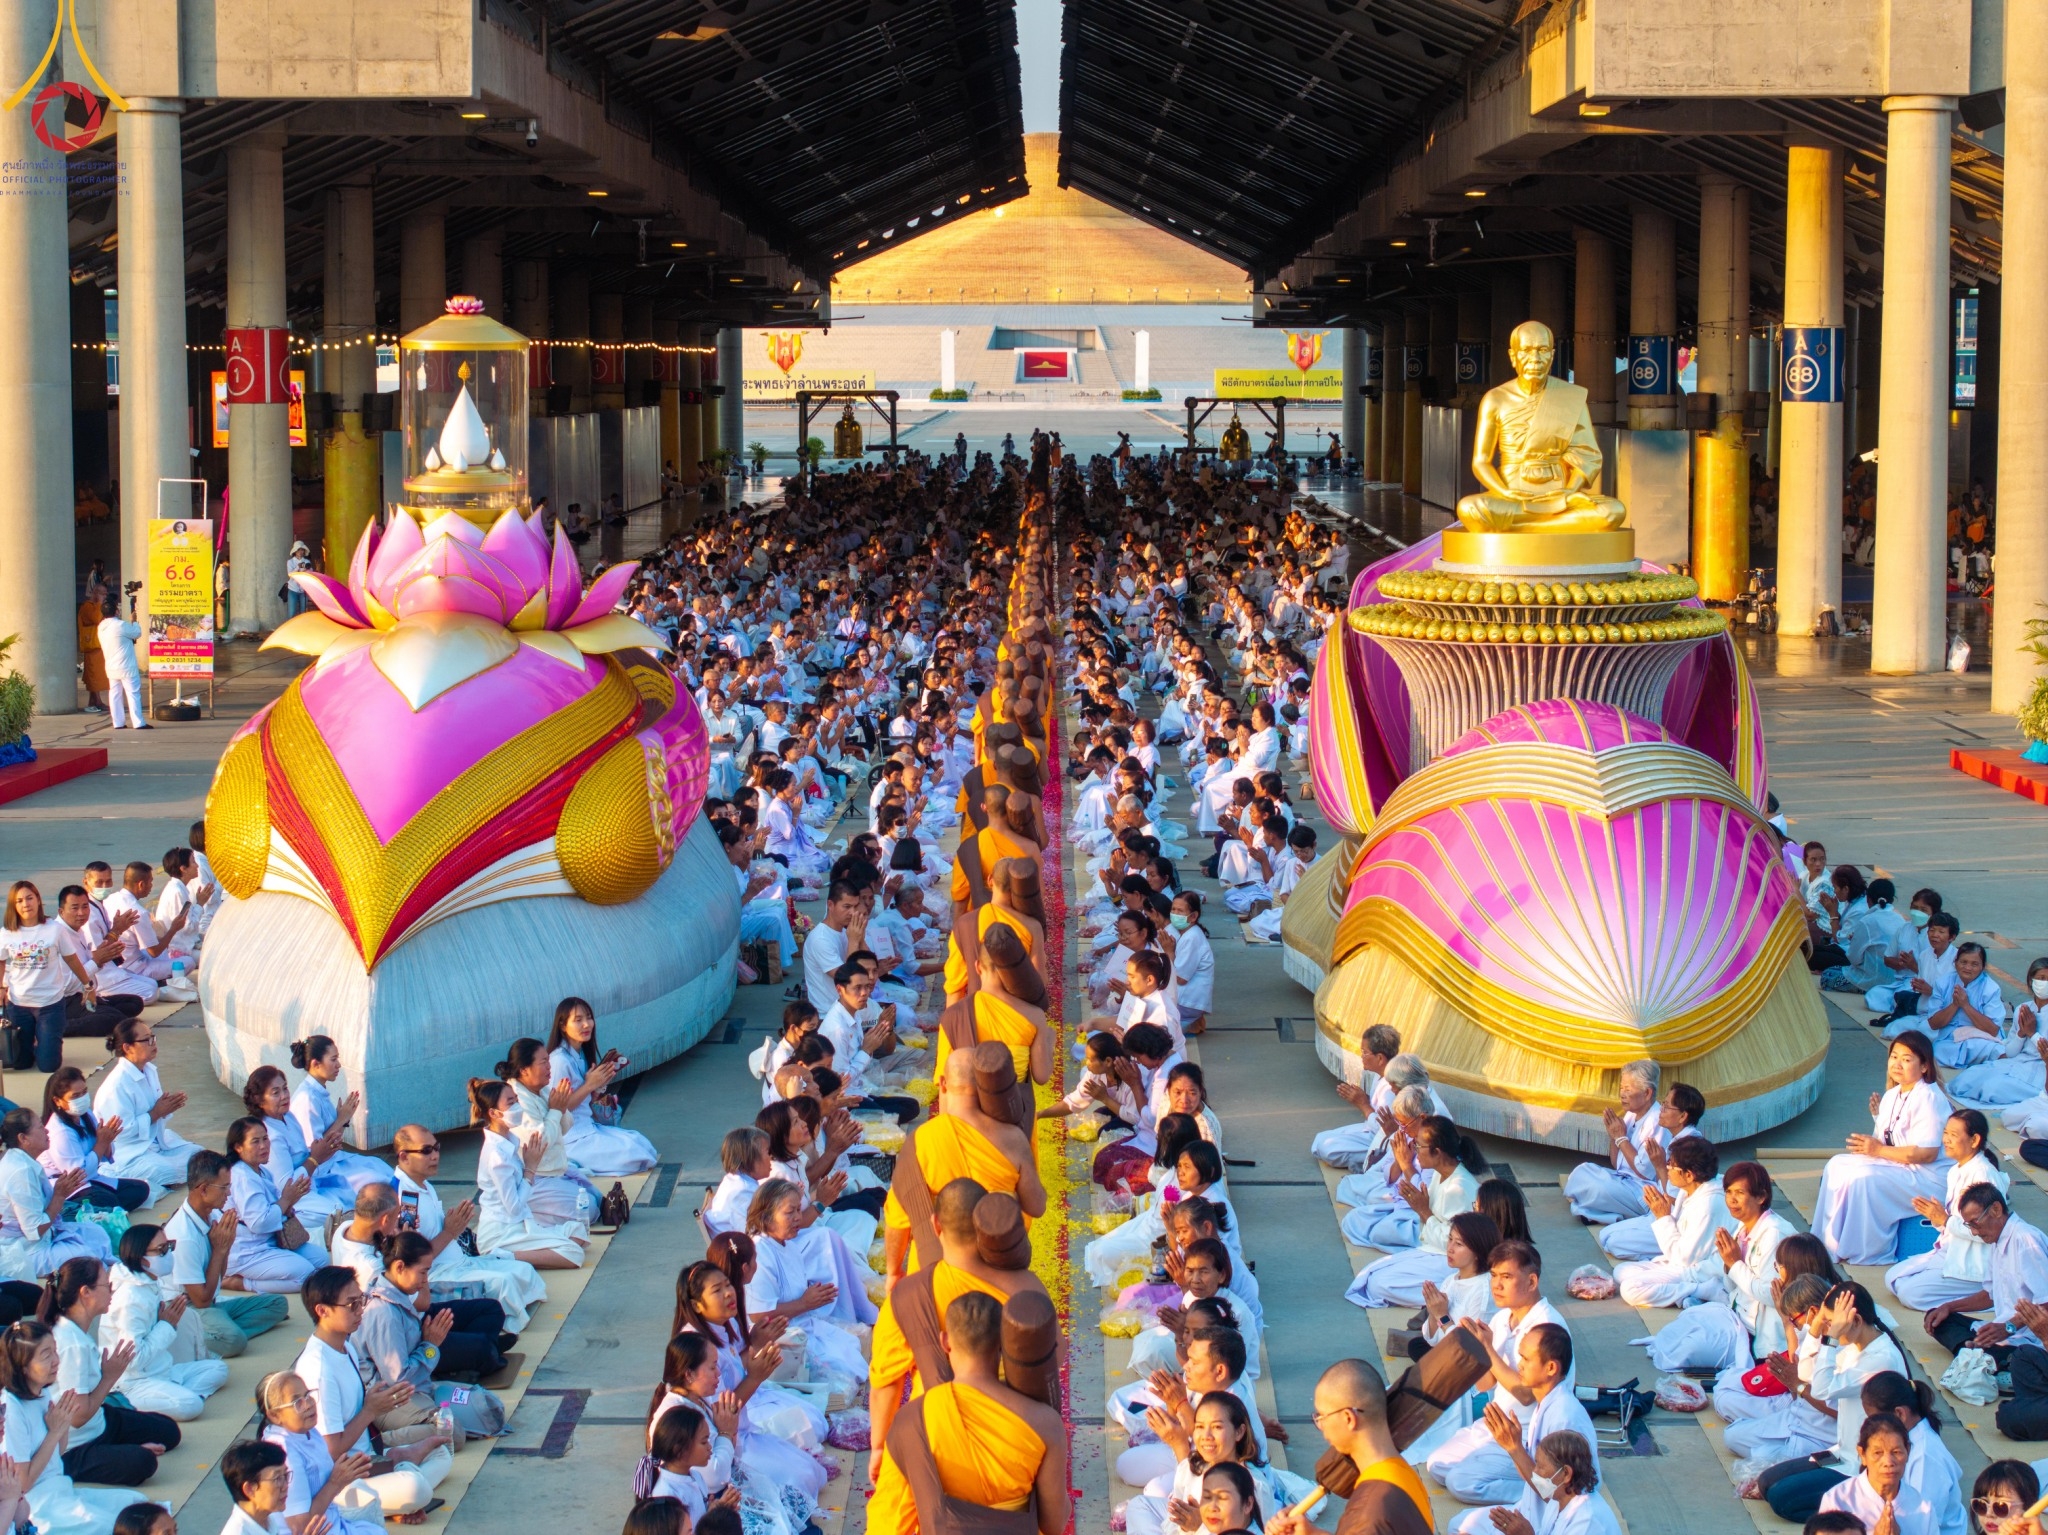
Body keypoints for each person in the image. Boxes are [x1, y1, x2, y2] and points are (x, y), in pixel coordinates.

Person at [866, 1291, 1068, 1535]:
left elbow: (890, 1521)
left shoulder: (913, 1419)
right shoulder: (1044, 1422)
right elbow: (1053, 1524)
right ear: (1003, 1343)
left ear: (945, 1341)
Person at [289, 1268, 452, 1518]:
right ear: (322, 1311)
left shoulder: (345, 1346)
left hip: (367, 1458)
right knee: (414, 1487)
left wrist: (380, 1403)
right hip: (341, 1480)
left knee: (442, 1454)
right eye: (352, 1304)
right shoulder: (318, 1368)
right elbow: (331, 1452)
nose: (360, 1310)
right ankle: (398, 1482)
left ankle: (395, 1482)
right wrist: (371, 1410)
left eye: (361, 1301)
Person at [1423, 1242, 1572, 1505]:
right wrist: (1476, 1352)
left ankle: (1544, 1491)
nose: (1496, 1285)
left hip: (1529, 1437)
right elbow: (1485, 1383)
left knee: (1461, 1483)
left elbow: (1527, 1396)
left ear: (1532, 1281)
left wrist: (1487, 1349)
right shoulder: (1502, 1319)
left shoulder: (1546, 1328)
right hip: (1497, 1426)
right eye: (1493, 1275)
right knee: (1437, 1465)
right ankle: (1520, 1479)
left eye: (1507, 1277)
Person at [1920, 1182, 2048, 1439]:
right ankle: (1983, 1354)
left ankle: (1985, 1355)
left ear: (1997, 1209)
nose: (1974, 1231)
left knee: (2022, 1359)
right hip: (2003, 1332)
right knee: (1937, 1318)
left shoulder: (2027, 1241)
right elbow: (1988, 1295)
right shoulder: (1995, 1241)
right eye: (1968, 1225)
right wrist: (1949, 1306)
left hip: (2030, 1339)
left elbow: (2045, 1304)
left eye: (1974, 1223)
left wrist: (2008, 1327)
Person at [40, 1256, 182, 1486]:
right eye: (107, 1285)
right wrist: (110, 1376)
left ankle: (116, 1447)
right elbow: (77, 1417)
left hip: (100, 1421)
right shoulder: (69, 1343)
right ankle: (113, 1451)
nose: (112, 1290)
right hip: (76, 1445)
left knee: (169, 1432)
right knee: (143, 1462)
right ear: (85, 1292)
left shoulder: (76, 1329)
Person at [390, 1125, 547, 1332]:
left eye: (437, 1148)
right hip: (437, 1274)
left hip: (460, 1263)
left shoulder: (424, 1184)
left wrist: (454, 1227)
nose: (435, 1155)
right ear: (404, 1157)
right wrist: (449, 1232)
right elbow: (412, 1262)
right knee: (505, 1283)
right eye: (426, 1151)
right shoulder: (404, 1198)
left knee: (524, 1269)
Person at [1812, 1033, 1950, 1264]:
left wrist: (1875, 1150)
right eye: (1894, 1056)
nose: (1897, 1064)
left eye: (1906, 1059)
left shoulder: (1929, 1097)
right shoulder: (1893, 1094)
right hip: (1903, 1167)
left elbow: (1927, 1153)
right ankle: (1828, 1243)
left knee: (1865, 1178)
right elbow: (1887, 1143)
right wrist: (1870, 1145)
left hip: (1930, 1178)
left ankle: (1869, 1252)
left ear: (1924, 1066)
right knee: (1837, 1165)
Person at [0, 1318, 148, 1535]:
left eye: (55, 1351)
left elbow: (56, 1455)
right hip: (38, 1502)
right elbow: (23, 1484)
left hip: (60, 1487)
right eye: (46, 1355)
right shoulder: (11, 1409)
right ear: (23, 1366)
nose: (56, 1361)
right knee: (114, 1528)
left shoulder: (40, 1393)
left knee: (139, 1506)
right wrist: (55, 1432)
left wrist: (61, 1426)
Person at [358, 1231, 508, 1436]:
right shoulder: (385, 1314)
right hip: (390, 1399)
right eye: (423, 1272)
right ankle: (379, 1445)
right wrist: (430, 1347)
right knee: (452, 1432)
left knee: (489, 1408)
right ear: (400, 1267)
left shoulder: (395, 1293)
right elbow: (399, 1380)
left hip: (417, 1384)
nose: (425, 1280)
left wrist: (429, 1346)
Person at [1264, 1357, 1432, 1535]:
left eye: (1321, 1417)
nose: (1320, 1426)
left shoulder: (1369, 1510)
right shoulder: (1400, 1473)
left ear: (1348, 1418)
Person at [1344, 1118, 1488, 1306]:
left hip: (1449, 1259)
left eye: (1419, 1145)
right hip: (1431, 1247)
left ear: (1437, 1152)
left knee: (1379, 1284)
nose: (1415, 1149)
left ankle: (1452, 1297)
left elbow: (1455, 1244)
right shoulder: (1440, 1173)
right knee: (1371, 1274)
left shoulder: (1459, 1188)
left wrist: (1423, 1211)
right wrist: (1421, 1210)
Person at [163, 1149, 292, 1351]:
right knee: (234, 1341)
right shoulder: (184, 1236)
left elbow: (219, 1277)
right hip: (187, 1308)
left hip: (211, 1303)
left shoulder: (213, 1215)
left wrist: (226, 1245)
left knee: (277, 1304)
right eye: (224, 1188)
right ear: (203, 1189)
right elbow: (201, 1300)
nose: (229, 1193)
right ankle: (194, 1336)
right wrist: (221, 1251)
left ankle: (218, 1328)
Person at [102, 1225, 229, 1420]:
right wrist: (166, 1326)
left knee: (218, 1368)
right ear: (141, 1258)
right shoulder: (130, 1298)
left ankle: (169, 1395)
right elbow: (134, 1360)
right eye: (161, 1250)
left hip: (161, 1371)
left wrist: (166, 1326)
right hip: (133, 1382)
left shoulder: (148, 1283)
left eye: (169, 1246)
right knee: (191, 1405)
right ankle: (142, 1402)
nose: (168, 1253)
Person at [1885, 1109, 2008, 1309]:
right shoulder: (1955, 1170)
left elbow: (1990, 1231)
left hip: (1975, 1263)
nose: (1946, 1140)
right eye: (1945, 1133)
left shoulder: (1984, 1175)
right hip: (1951, 1250)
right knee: (1892, 1278)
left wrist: (1945, 1220)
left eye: (1953, 1135)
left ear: (1974, 1140)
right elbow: (1952, 1223)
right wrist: (1937, 1218)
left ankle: (1983, 1294)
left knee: (1910, 1294)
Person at [467, 1079, 589, 1268]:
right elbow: (514, 1207)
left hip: (521, 1222)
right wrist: (530, 1169)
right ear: (494, 1113)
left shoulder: (510, 1138)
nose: (517, 1106)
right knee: (573, 1253)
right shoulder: (496, 1156)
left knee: (578, 1230)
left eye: (516, 1100)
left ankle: (530, 1251)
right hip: (502, 1231)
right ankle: (502, 1256)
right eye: (510, 1103)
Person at [1610, 1137, 1735, 1308]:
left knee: (1630, 1289)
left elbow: (1684, 1259)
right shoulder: (1691, 1189)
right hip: (1684, 1261)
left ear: (1689, 1175)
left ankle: (1705, 1290)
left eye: (1670, 1165)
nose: (1667, 1168)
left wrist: (1663, 1217)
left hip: (1703, 1270)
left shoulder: (1708, 1205)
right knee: (1621, 1271)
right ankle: (1689, 1295)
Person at [547, 998, 659, 1177]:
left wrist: (595, 1089)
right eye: (578, 1020)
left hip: (587, 1127)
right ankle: (568, 1161)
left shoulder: (578, 1054)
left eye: (589, 1018)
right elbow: (558, 1109)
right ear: (562, 1025)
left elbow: (582, 1101)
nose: (586, 1024)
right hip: (570, 1137)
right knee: (637, 1156)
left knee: (643, 1145)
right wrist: (589, 1085)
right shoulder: (559, 1060)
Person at [0, 1108, 109, 1282]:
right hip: (23, 1251)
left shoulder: (24, 1161)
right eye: (40, 1127)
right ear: (23, 1138)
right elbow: (34, 1231)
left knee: (97, 1234)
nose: (47, 1131)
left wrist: (61, 1192)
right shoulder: (20, 1172)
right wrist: (59, 1196)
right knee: (87, 1260)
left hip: (43, 1237)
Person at [94, 1018, 200, 1194]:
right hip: (127, 1152)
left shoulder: (149, 1070)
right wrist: (156, 1113)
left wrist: (166, 1108)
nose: (153, 1044)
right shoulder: (116, 1085)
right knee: (165, 1171)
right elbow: (122, 1132)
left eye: (153, 1038)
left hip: (154, 1142)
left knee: (199, 1156)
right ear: (128, 1048)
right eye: (147, 1040)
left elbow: (157, 1109)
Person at [2, 882, 97, 1073]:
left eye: (29, 898)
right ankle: (37, 1042)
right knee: (20, 1064)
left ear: (38, 899)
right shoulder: (6, 934)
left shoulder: (54, 929)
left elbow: (72, 960)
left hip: (50, 1005)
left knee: (48, 1066)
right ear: (14, 905)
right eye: (19, 901)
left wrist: (88, 986)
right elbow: (1, 963)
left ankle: (46, 1041)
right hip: (19, 1004)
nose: (25, 904)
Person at [225, 1116, 327, 1286]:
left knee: (322, 1260)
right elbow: (259, 1223)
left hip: (271, 1241)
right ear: (238, 1147)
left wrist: (289, 1203)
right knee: (306, 1276)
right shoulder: (242, 1176)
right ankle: (239, 1283)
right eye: (255, 1141)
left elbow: (274, 1208)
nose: (264, 1146)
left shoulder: (261, 1171)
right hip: (248, 1251)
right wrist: (286, 1200)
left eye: (266, 1139)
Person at [1561, 1061, 1666, 1225]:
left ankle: (1603, 1212)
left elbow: (1643, 1172)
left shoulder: (1656, 1122)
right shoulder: (1631, 1114)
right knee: (1581, 1171)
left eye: (1628, 1090)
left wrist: (1621, 1139)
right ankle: (1600, 1211)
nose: (1622, 1094)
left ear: (1647, 1093)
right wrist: (1613, 1137)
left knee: (1598, 1189)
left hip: (1643, 1190)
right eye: (1621, 1088)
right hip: (1622, 1180)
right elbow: (1617, 1164)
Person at [287, 1038, 396, 1197]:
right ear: (316, 1064)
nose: (338, 1065)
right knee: (379, 1183)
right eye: (333, 1059)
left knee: (382, 1168)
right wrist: (342, 1119)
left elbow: (331, 1140)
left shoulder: (318, 1092)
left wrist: (342, 1120)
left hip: (334, 1160)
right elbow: (316, 1152)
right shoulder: (307, 1099)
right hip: (322, 1171)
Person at [1812, 1414, 1945, 1535]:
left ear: (1908, 1451)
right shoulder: (1837, 1500)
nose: (1888, 1462)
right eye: (1878, 1453)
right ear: (1862, 1454)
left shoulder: (1923, 1509)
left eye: (1897, 1452)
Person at [40, 1066, 151, 1211]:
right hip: (68, 1186)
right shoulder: (59, 1132)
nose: (82, 1098)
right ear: (58, 1101)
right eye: (75, 1096)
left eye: (84, 1092)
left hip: (92, 1179)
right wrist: (102, 1143)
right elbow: (77, 1175)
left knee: (140, 1189)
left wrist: (108, 1140)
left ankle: (104, 1210)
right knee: (106, 1199)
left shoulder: (86, 1115)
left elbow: (105, 1156)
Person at [97, 602, 146, 730]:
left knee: (114, 695)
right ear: (117, 612)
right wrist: (134, 621)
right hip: (126, 667)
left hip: (111, 667)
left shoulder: (101, 627)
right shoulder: (120, 625)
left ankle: (118, 723)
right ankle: (138, 722)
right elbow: (137, 633)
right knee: (133, 694)